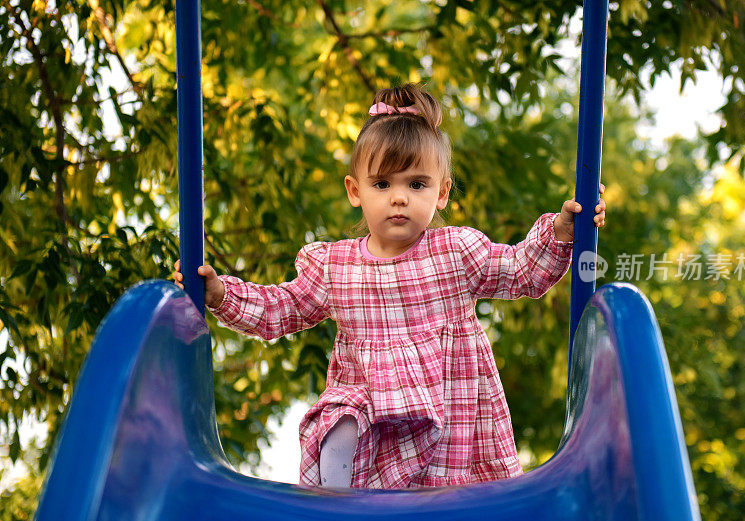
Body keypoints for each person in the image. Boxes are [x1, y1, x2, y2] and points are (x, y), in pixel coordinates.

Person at [173, 83, 607, 490]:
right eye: (382, 183)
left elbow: (520, 272)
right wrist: (221, 295)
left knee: (459, 500)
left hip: (451, 428)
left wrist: (562, 230)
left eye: (416, 184)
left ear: (441, 193)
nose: (399, 197)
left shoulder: (455, 252)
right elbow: (282, 308)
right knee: (340, 418)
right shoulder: (334, 266)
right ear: (355, 190)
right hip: (374, 422)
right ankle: (342, 498)